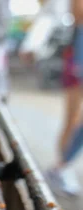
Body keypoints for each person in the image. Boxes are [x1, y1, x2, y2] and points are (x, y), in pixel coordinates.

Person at [47, 0, 83, 196]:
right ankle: (61, 166)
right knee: (74, 115)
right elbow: (78, 13)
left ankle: (62, 165)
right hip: (79, 49)